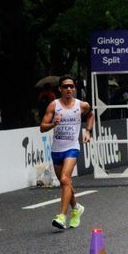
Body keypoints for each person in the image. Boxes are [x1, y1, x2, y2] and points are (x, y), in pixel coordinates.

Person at [39, 76, 90, 229]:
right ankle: (76, 208)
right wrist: (54, 123)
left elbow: (91, 114)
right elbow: (42, 127)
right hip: (56, 149)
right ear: (60, 89)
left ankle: (62, 216)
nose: (68, 89)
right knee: (65, 183)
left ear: (74, 88)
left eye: (71, 86)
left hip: (72, 147)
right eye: (65, 86)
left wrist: (88, 131)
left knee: (65, 178)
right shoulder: (54, 106)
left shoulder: (82, 105)